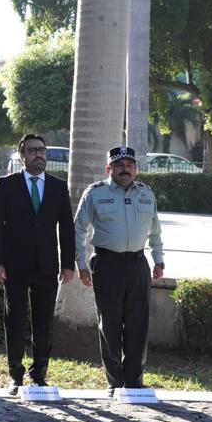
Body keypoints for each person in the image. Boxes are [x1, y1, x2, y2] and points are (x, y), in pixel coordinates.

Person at [0, 134, 74, 395]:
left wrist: (68, 264)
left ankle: (40, 374)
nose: (39, 155)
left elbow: (67, 229)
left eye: (42, 150)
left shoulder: (59, 187)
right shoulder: (7, 185)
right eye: (33, 151)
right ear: (22, 155)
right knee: (14, 320)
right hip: (14, 265)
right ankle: (16, 373)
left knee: (43, 322)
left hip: (47, 266)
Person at [75, 146, 164, 395]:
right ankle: (115, 381)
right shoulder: (95, 193)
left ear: (135, 168)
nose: (125, 169)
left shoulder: (146, 194)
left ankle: (134, 381)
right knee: (110, 324)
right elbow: (78, 230)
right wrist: (81, 264)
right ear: (109, 169)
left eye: (129, 165)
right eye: (119, 165)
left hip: (137, 264)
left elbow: (155, 231)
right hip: (107, 264)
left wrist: (158, 260)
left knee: (138, 324)